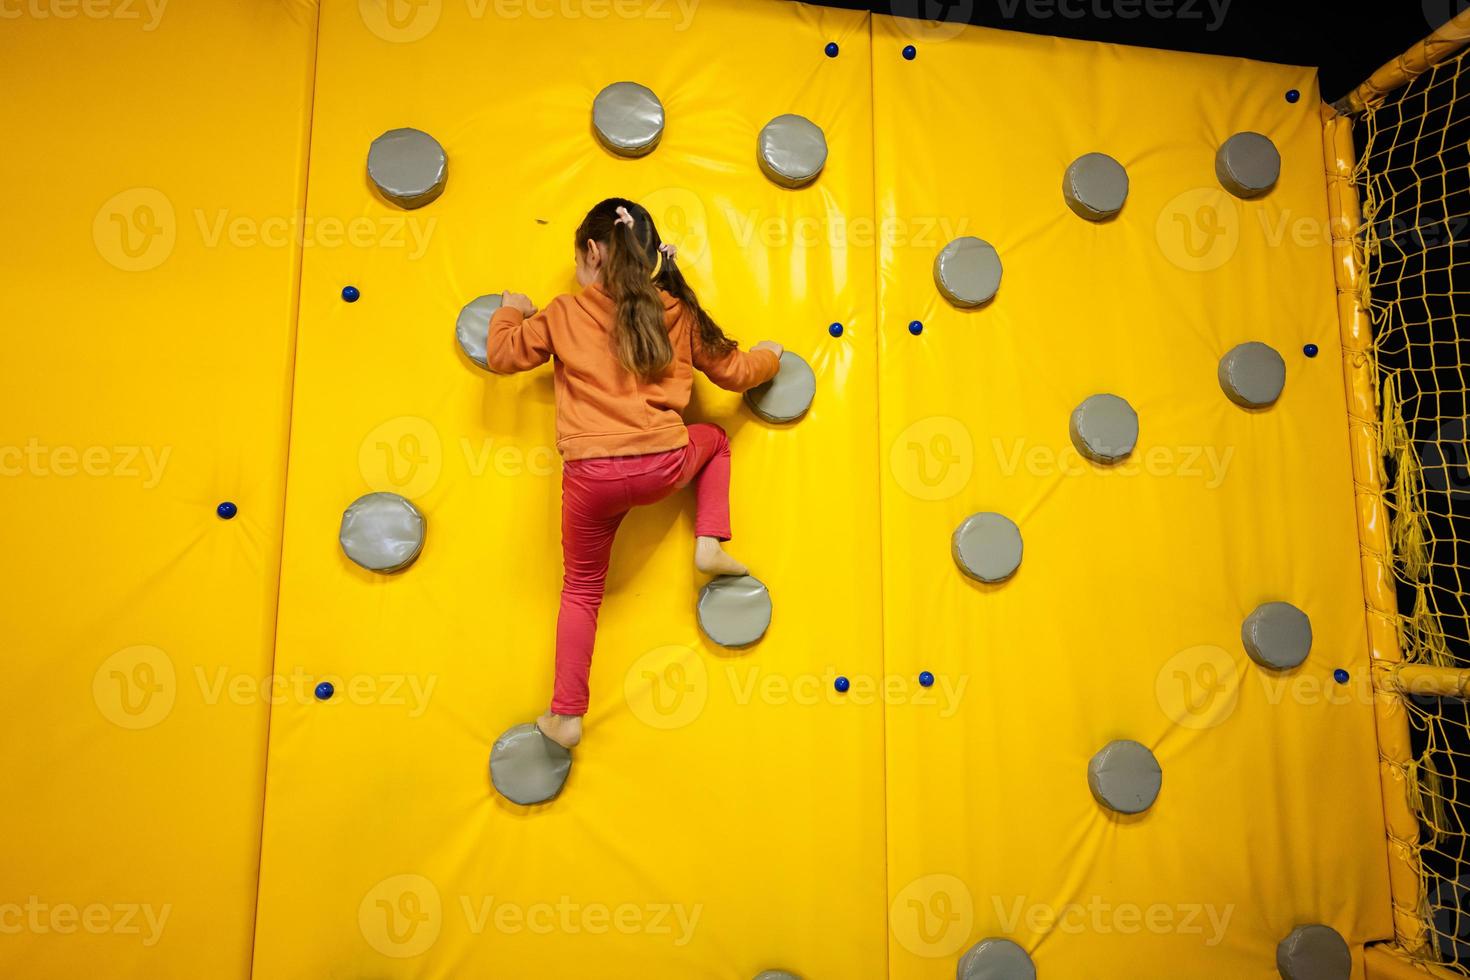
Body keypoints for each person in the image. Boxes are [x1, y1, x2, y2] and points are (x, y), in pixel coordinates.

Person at [487, 197, 784, 749]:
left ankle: (567, 716)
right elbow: (737, 372)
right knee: (715, 440)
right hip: (664, 465)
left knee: (580, 592)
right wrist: (772, 355)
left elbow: (502, 355)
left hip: (590, 479)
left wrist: (512, 309)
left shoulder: (561, 313)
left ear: (594, 252)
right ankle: (709, 541)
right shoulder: (676, 311)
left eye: (578, 258)